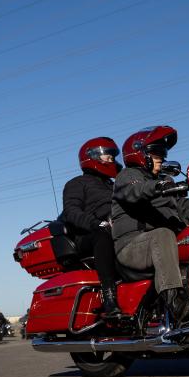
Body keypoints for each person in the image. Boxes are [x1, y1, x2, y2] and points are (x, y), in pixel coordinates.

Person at [111, 126, 189, 326]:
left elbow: (186, 208)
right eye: (156, 153)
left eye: (163, 153)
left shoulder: (166, 181)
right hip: (132, 246)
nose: (162, 158)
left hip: (163, 244)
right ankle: (177, 305)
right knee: (162, 234)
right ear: (139, 154)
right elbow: (135, 192)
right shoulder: (127, 176)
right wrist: (159, 186)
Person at [59, 136, 123, 318]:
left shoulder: (115, 184)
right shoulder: (77, 183)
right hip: (89, 234)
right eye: (106, 155)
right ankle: (109, 296)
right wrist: (95, 223)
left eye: (112, 155)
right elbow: (71, 211)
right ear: (92, 157)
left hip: (118, 225)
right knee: (103, 234)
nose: (111, 159)